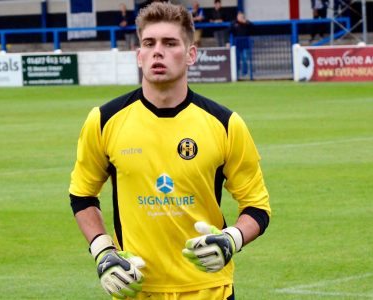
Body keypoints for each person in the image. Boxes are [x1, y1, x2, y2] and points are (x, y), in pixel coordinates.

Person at [68, 2, 271, 300]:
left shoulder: (226, 124)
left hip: (209, 290)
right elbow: (82, 194)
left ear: (191, 54)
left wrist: (231, 239)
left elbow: (257, 206)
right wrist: (103, 252)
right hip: (137, 289)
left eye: (170, 43)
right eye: (148, 43)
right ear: (139, 55)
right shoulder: (104, 120)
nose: (157, 51)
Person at [230, 11, 252, 78]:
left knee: (244, 58)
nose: (240, 18)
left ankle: (245, 73)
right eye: (239, 16)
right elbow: (229, 30)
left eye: (242, 16)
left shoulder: (246, 23)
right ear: (237, 17)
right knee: (237, 59)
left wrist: (246, 23)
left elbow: (252, 27)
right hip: (237, 44)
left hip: (245, 44)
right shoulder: (234, 23)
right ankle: (237, 73)